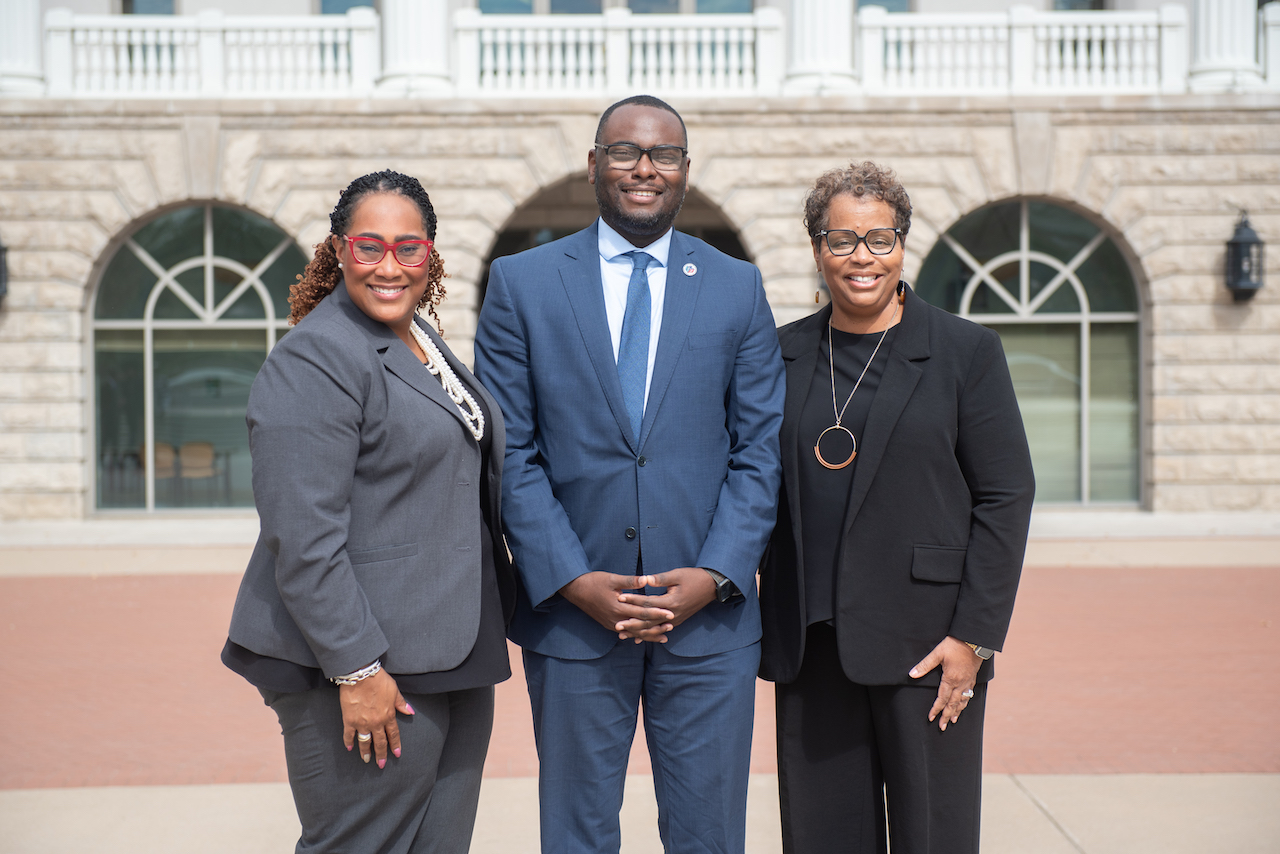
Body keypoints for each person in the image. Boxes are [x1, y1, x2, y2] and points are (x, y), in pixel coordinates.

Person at [473, 95, 785, 854]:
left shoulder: (735, 286)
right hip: (574, 618)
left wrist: (714, 574)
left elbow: (760, 448)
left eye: (664, 155)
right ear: (594, 164)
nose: (645, 168)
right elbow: (512, 451)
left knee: (708, 837)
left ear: (684, 169)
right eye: (625, 152)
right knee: (577, 836)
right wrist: (573, 579)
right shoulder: (523, 283)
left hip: (708, 623)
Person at [221, 170, 515, 854]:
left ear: (431, 255)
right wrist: (356, 670)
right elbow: (302, 537)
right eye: (369, 247)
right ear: (337, 250)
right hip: (365, 663)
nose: (389, 266)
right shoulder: (317, 356)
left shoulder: (422, 342)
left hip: (450, 649)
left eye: (408, 248)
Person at [758, 161, 1036, 854]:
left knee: (932, 838)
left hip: (929, 649)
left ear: (903, 244)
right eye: (842, 239)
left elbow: (1007, 496)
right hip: (810, 646)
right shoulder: (779, 355)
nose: (862, 258)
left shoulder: (965, 352)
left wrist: (974, 638)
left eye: (880, 239)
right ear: (817, 247)